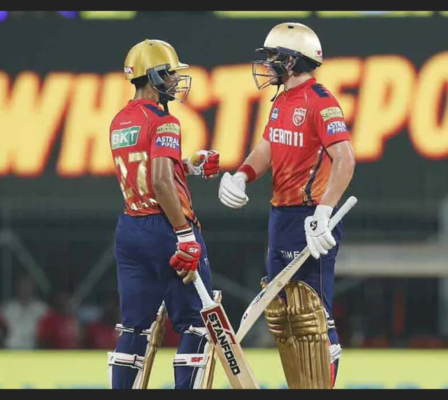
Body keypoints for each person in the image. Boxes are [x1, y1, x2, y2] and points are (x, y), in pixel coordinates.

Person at [218, 22, 356, 389]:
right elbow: (268, 147)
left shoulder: (320, 100)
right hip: (281, 214)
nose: (268, 64)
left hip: (309, 217)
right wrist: (242, 175)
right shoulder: (282, 100)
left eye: (275, 57)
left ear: (293, 61)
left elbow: (345, 159)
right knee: (285, 317)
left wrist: (324, 212)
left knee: (314, 317)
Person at [107, 39, 220, 389]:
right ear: (152, 74)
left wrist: (189, 166)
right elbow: (159, 180)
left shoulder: (119, 119)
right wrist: (184, 234)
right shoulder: (164, 121)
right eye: (170, 73)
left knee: (134, 327)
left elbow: (147, 170)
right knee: (196, 323)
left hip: (129, 229)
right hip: (165, 229)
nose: (175, 81)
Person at [0, 275, 48, 349]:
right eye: (22, 285)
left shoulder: (42, 309)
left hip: (32, 352)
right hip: (10, 351)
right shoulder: (7, 308)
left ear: (33, 287)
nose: (25, 288)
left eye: (28, 285)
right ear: (17, 287)